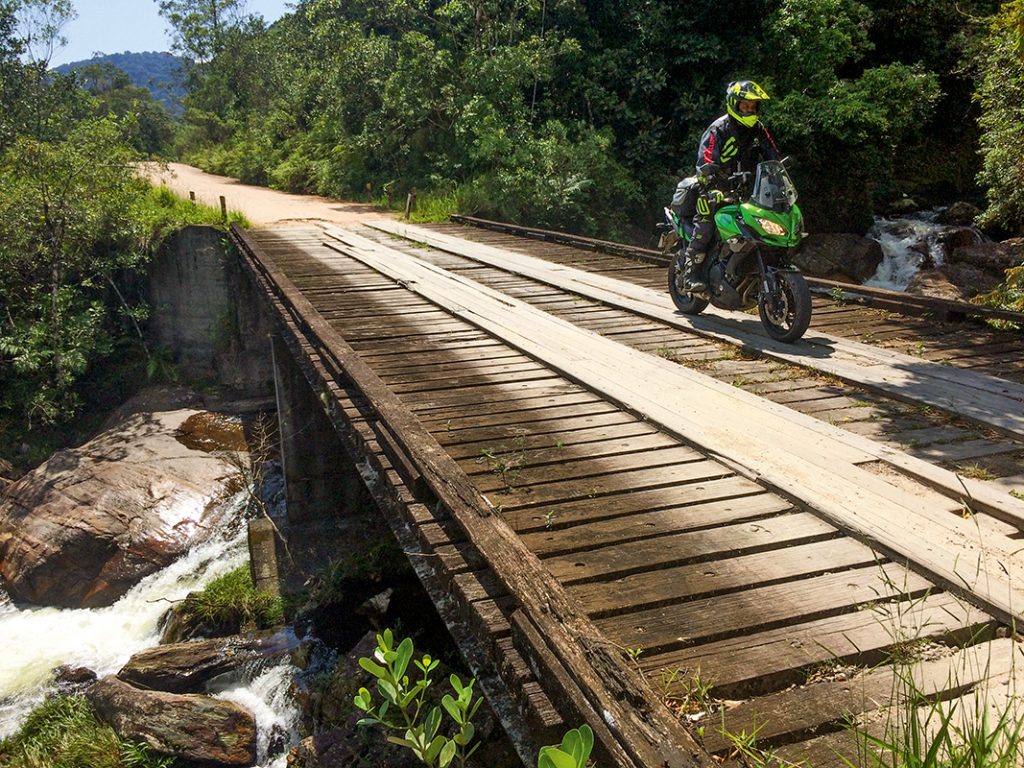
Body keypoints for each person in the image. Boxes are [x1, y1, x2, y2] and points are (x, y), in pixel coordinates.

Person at [679, 80, 781, 292]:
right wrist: (712, 186)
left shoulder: (758, 128)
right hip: (712, 187)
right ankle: (691, 274)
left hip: (743, 188)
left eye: (753, 107)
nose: (750, 110)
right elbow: (705, 162)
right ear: (734, 104)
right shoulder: (718, 129)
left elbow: (772, 153)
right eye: (745, 106)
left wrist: (780, 177)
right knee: (706, 224)